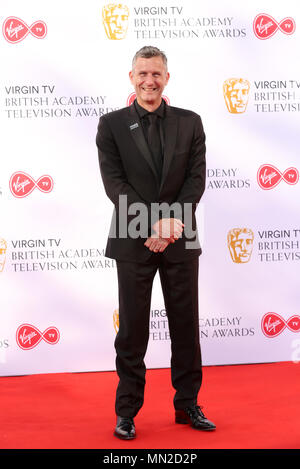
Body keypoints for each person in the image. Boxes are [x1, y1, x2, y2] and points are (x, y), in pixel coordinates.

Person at [96, 45, 215, 440]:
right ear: (131, 77)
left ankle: (188, 405)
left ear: (167, 78)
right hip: (133, 238)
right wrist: (152, 225)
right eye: (143, 73)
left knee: (185, 325)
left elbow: (195, 180)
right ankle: (126, 411)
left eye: (157, 74)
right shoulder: (110, 125)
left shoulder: (191, 122)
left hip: (180, 237)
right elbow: (115, 184)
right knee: (132, 329)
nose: (150, 80)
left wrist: (170, 225)